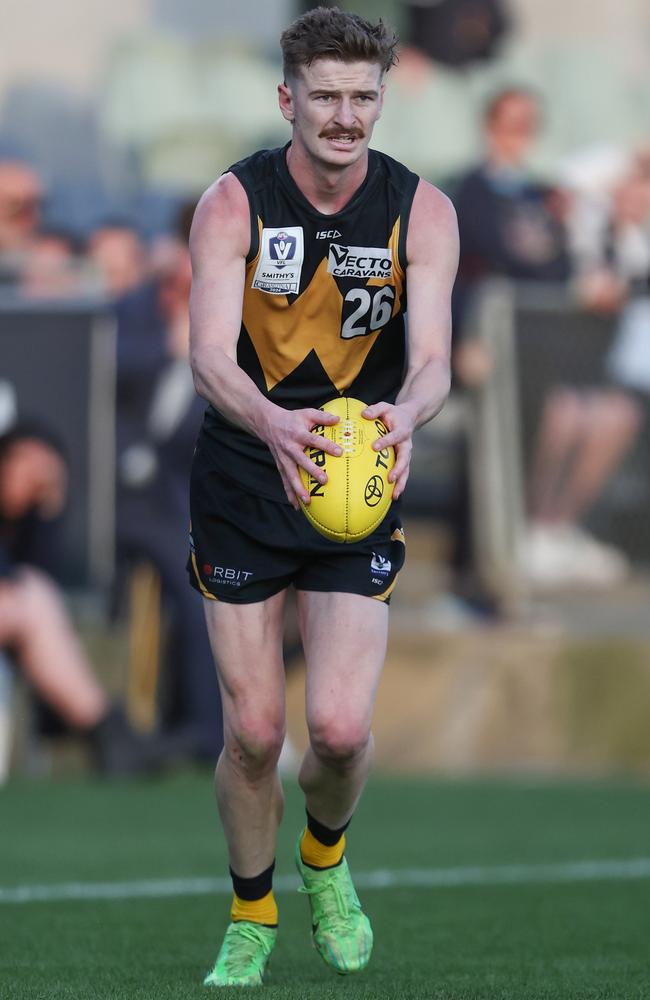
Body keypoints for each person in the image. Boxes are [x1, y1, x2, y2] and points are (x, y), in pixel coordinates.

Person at [187, 7, 458, 988]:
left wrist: (402, 418)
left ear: (379, 99)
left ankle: (325, 862)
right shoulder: (231, 203)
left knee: (338, 731)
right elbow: (207, 356)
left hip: (356, 473)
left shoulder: (420, 211)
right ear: (286, 97)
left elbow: (430, 363)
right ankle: (251, 912)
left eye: (360, 97)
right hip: (246, 475)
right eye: (325, 96)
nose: (343, 116)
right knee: (255, 732)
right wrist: (274, 425)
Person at [0, 426, 167, 775]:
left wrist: (47, 511)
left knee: (36, 593)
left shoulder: (22, 522)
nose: (34, 479)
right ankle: (103, 729)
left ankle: (105, 731)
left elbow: (38, 570)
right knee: (33, 600)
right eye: (26, 465)